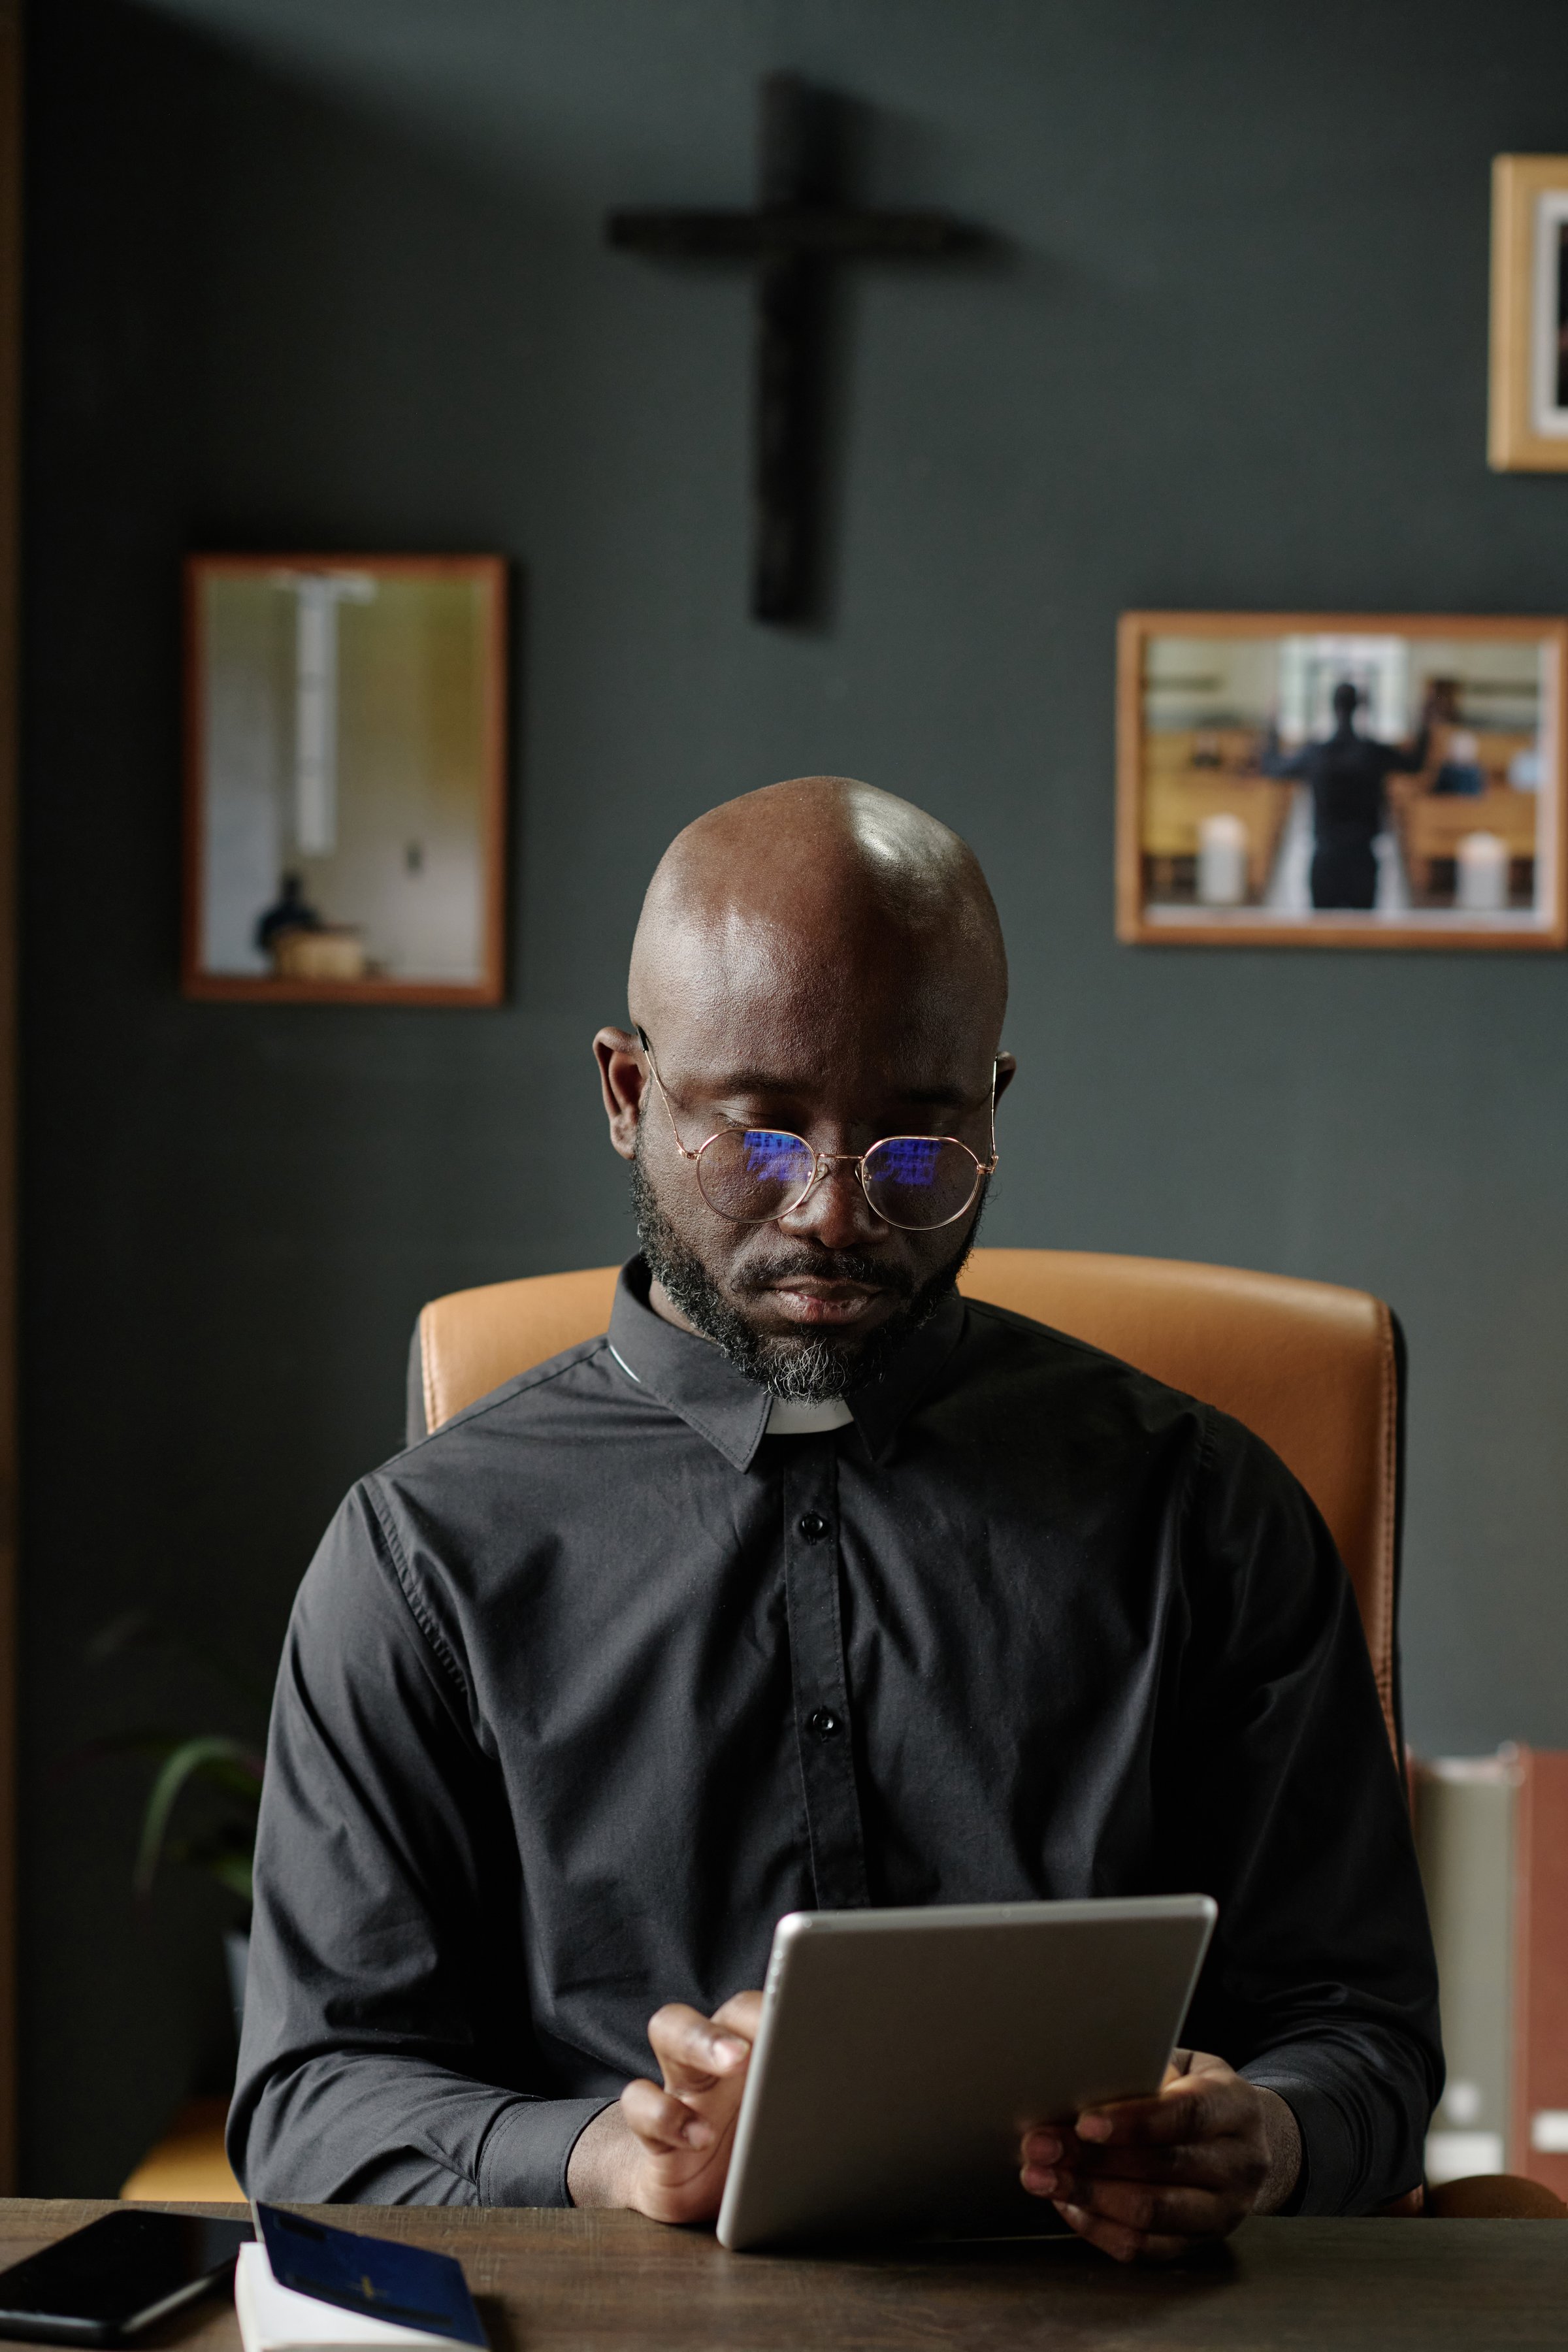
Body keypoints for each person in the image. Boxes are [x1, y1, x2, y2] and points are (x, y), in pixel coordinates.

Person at [229, 776, 1440, 2261]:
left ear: (986, 1104)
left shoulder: (1200, 1509)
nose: (834, 1214)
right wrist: (597, 2153)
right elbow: (311, 2100)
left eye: (914, 1149)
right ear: (626, 1094)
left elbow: (1358, 2028)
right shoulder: (420, 1556)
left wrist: (1270, 2133)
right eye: (761, 1136)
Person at [1264, 682, 1430, 910]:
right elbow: (1415, 764)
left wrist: (1271, 723)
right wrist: (1423, 722)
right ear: (1359, 707)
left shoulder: (1318, 753)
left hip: (1327, 856)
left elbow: (1274, 767)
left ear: (1333, 707)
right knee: (1363, 933)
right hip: (1362, 856)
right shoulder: (1372, 752)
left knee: (1323, 935)